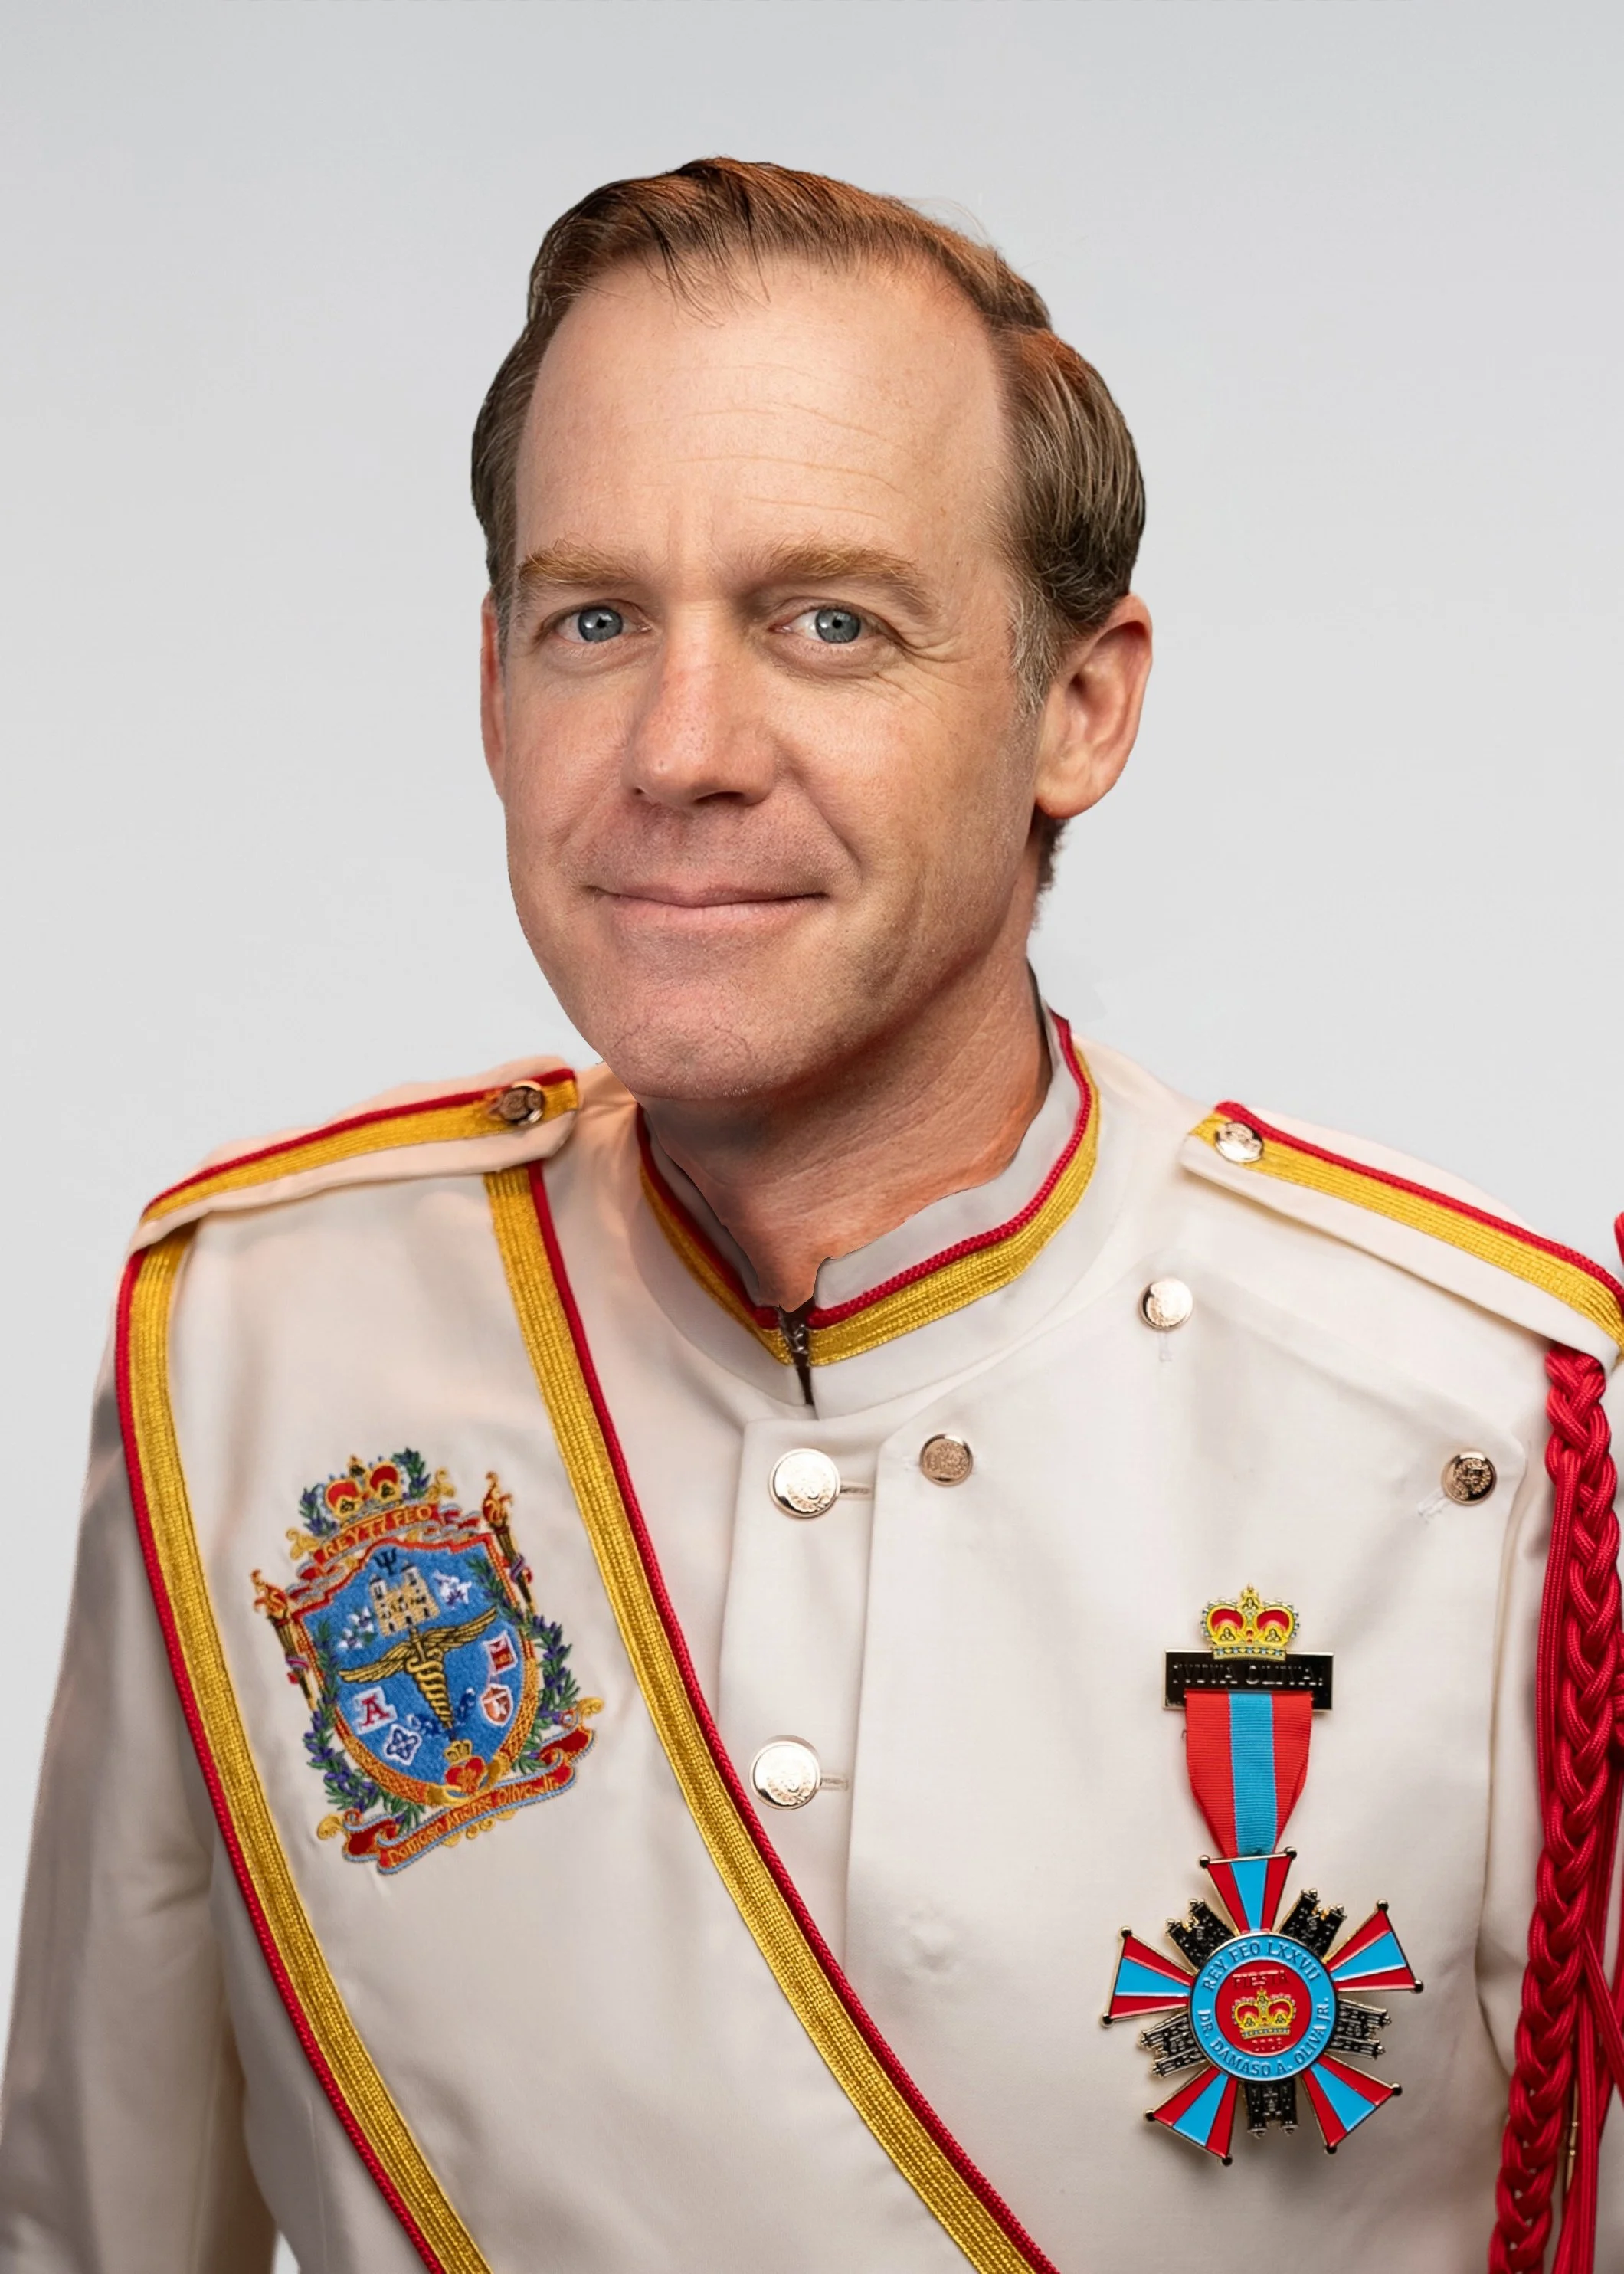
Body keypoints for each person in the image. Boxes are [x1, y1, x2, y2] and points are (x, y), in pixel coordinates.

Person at [0, 156, 1618, 2274]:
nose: (680, 749)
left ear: (1078, 708)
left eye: (830, 622)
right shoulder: (251, 1348)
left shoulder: (1502, 1439)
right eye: (594, 622)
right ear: (492, 693)